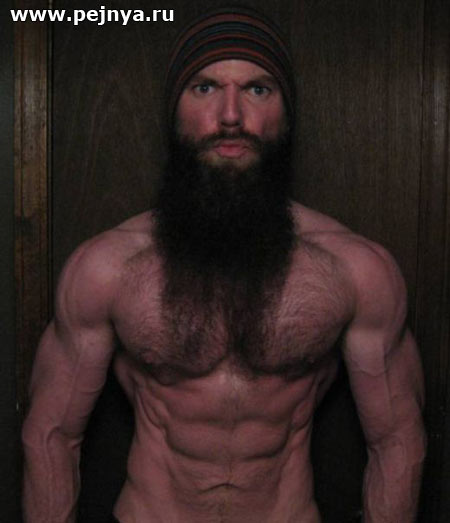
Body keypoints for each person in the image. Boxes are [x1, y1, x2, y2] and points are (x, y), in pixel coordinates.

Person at [22, 7, 426, 523]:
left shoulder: (356, 271)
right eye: (205, 88)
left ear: (286, 114)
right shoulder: (106, 269)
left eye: (258, 89)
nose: (231, 115)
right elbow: (52, 436)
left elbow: (396, 441)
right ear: (175, 112)